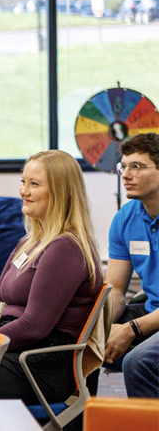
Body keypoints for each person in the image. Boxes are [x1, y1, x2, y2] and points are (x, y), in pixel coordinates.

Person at [0, 150, 102, 406]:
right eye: (23, 182)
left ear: (65, 192)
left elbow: (34, 326)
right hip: (11, 350)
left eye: (34, 184)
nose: (23, 191)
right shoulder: (28, 243)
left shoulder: (66, 247)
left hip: (37, 365)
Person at [104, 133, 159, 398]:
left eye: (137, 166)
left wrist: (131, 330)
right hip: (151, 310)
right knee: (79, 341)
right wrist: (98, 327)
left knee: (138, 361)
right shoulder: (125, 218)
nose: (126, 174)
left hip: (150, 318)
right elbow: (115, 290)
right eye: (123, 166)